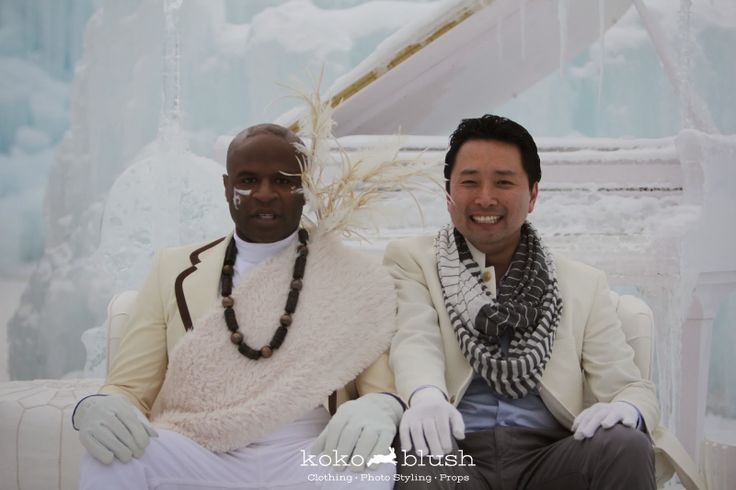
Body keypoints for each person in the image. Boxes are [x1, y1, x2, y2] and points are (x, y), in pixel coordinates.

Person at [72, 123, 405, 489]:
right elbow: (129, 388)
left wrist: (381, 406)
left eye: (283, 181)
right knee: (110, 461)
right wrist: (92, 407)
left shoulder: (354, 276)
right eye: (248, 180)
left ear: (306, 188)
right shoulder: (172, 269)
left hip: (308, 449)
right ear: (227, 187)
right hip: (198, 448)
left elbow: (380, 389)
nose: (265, 194)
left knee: (373, 465)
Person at [384, 115, 704, 489]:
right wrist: (426, 396)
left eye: (503, 182)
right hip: (455, 449)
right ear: (448, 194)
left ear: (533, 195)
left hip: (551, 458)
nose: (485, 197)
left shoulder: (583, 283)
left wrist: (626, 408)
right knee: (420, 456)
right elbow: (415, 337)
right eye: (470, 182)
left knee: (625, 443)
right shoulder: (414, 261)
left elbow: (628, 386)